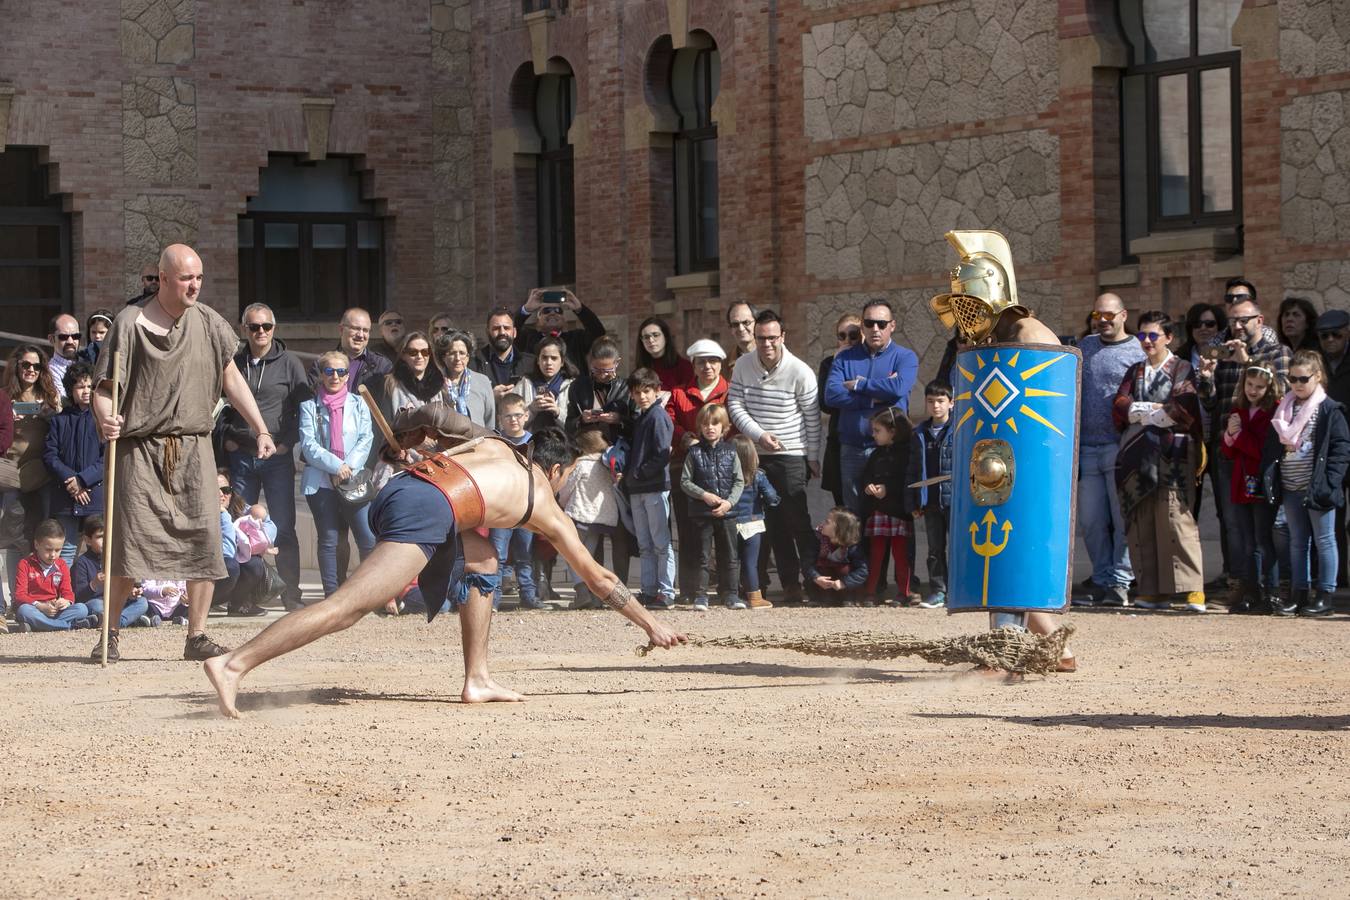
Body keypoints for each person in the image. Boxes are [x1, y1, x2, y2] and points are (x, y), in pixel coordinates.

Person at [203, 416, 686, 718]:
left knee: (484, 559)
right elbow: (598, 579)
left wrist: (409, 432)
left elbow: (431, 418)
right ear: (555, 470)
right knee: (345, 609)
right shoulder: (544, 499)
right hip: (426, 507)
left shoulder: (496, 445)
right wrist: (651, 623)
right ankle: (233, 664)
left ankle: (476, 678)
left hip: (403, 488)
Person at [91, 243, 276, 663]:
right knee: (128, 545)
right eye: (185, 278)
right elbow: (105, 391)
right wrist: (106, 419)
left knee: (203, 541)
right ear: (163, 279)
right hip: (139, 449)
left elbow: (232, 380)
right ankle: (110, 634)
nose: (194, 285)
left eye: (199, 278)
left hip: (193, 447)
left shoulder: (209, 322)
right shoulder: (129, 323)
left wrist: (261, 428)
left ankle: (196, 635)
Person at [1196, 294, 1292, 604]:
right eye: (1233, 320)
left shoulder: (1277, 352)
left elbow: (1284, 393)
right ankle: (1242, 585)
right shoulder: (1223, 351)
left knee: (1264, 527)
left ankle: (1271, 589)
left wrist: (1248, 362)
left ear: (1259, 321)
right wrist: (1207, 378)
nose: (1236, 326)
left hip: (1264, 455)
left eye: (1244, 320)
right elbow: (1212, 404)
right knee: (1234, 524)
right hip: (1229, 451)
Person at [1111, 311, 1205, 613]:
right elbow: (1119, 406)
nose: (1147, 341)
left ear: (1169, 337)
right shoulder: (1134, 371)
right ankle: (1151, 589)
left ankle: (1191, 589)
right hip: (1137, 456)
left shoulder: (1182, 368)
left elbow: (1183, 407)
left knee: (1176, 516)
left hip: (1173, 454)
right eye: (1142, 336)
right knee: (1142, 518)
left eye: (1153, 335)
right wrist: (1152, 410)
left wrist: (1142, 414)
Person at [726, 309, 820, 604]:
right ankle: (762, 585)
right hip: (756, 454)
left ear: (782, 337)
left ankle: (813, 580)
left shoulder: (800, 371)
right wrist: (758, 435)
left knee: (796, 520)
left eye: (771, 338)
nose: (766, 344)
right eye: (761, 338)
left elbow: (812, 417)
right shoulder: (742, 364)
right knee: (759, 523)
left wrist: (812, 457)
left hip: (791, 454)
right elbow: (735, 404)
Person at [219, 303, 309, 611]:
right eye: (254, 327)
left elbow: (304, 410)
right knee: (238, 527)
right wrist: (228, 437)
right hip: (242, 456)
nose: (261, 332)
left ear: (274, 328)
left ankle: (291, 595)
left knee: (282, 526)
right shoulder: (233, 362)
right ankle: (242, 598)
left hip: (276, 458)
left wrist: (286, 443)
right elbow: (219, 405)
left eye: (266, 327)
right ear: (243, 329)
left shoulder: (290, 364)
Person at [1261, 350, 1350, 618]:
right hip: (1290, 485)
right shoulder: (1284, 408)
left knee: (1325, 540)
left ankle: (1325, 595)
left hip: (1317, 487)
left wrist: (1330, 481)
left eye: (1303, 378)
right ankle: (1299, 594)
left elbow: (1341, 448)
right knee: (1298, 542)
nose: (1297, 384)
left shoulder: (1329, 409)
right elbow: (1272, 446)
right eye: (1292, 379)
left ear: (1318, 377)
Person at [1073, 292, 1145, 608]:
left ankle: (1121, 581)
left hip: (1121, 446)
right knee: (1091, 521)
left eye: (1109, 315)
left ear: (1123, 315)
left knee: (1123, 519)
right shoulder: (1084, 347)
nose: (1103, 321)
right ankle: (1101, 579)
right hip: (1087, 448)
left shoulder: (1138, 350)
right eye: (1097, 315)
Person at [825, 299, 919, 514]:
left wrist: (859, 384)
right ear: (863, 327)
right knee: (853, 519)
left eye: (881, 324)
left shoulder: (905, 357)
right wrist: (871, 398)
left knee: (892, 517)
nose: (875, 329)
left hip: (890, 451)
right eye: (869, 323)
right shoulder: (845, 358)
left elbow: (897, 389)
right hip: (852, 449)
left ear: (892, 326)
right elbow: (832, 395)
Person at [299, 351, 376, 598]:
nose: (335, 376)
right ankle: (332, 595)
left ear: (347, 375)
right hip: (321, 481)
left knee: (366, 537)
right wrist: (335, 467)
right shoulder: (309, 407)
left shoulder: (359, 403)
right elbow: (308, 445)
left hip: (353, 480)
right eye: (329, 371)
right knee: (330, 539)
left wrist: (347, 468)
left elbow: (367, 438)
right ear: (321, 375)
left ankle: (368, 593)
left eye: (341, 371)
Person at [668, 338, 730, 603]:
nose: (708, 367)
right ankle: (691, 591)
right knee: (689, 532)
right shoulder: (679, 393)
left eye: (713, 361)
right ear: (693, 365)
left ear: (720, 365)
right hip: (688, 471)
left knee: (726, 535)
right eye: (702, 362)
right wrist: (685, 438)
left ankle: (730, 590)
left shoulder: (731, 392)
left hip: (723, 472)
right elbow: (669, 421)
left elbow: (736, 422)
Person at [1219, 364, 1281, 613]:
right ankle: (1251, 591)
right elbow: (1228, 452)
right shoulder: (1239, 410)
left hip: (1263, 484)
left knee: (1264, 540)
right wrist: (1230, 435)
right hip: (1241, 483)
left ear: (1268, 387)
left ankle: (1272, 592)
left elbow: (1261, 450)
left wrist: (1240, 434)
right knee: (1247, 542)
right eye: (1250, 385)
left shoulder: (1274, 411)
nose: (1253, 390)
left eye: (1259, 386)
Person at [1177, 302, 1229, 572]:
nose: (1204, 329)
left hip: (1221, 441)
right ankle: (1187, 577)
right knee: (1187, 512)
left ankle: (1231, 574)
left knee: (1227, 512)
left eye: (1210, 324)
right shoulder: (1182, 359)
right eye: (1198, 324)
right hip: (1191, 441)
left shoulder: (1228, 356)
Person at [679, 403, 744, 611]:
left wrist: (729, 502)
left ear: (724, 426)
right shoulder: (694, 452)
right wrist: (704, 495)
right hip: (702, 513)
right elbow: (685, 481)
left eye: (715, 424)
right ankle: (701, 595)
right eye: (706, 424)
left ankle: (731, 594)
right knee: (702, 556)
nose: (710, 428)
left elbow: (739, 481)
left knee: (730, 556)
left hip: (727, 512)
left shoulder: (731, 452)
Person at [623, 367, 676, 609]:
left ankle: (666, 592)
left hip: (654, 486)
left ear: (657, 390)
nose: (642, 396)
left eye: (647, 391)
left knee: (661, 543)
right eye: (637, 392)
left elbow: (662, 454)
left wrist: (639, 473)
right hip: (638, 488)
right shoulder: (643, 417)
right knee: (645, 544)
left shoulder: (658, 417)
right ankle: (648, 589)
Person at [43, 362, 104, 564]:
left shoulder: (102, 419)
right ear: (71, 390)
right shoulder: (59, 421)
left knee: (100, 551)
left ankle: (95, 595)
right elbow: (50, 456)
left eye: (89, 386)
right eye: (80, 386)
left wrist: (83, 480)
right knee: (65, 554)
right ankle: (65, 596)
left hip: (94, 498)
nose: (86, 391)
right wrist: (72, 481)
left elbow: (108, 458)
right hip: (66, 498)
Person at [2, 344, 61, 547]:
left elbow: (61, 430)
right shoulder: (4, 396)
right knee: (12, 524)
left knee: (43, 524)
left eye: (37, 366)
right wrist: (6, 417)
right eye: (26, 364)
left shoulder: (50, 396)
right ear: (16, 366)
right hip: (10, 470)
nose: (31, 370)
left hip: (41, 471)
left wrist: (49, 414)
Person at [558, 426, 621, 610]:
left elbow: (567, 488)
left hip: (579, 515)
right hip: (600, 519)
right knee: (588, 556)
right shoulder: (606, 464)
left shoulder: (580, 464)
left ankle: (581, 591)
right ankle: (593, 596)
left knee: (571, 555)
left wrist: (561, 503)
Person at [489, 394, 538, 610]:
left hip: (526, 507)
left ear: (526, 415)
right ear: (500, 419)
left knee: (524, 555)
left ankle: (529, 596)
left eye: (518, 415)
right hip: (501, 508)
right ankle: (493, 599)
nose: (513, 420)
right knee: (497, 555)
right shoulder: (495, 443)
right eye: (508, 416)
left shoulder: (534, 442)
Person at [860, 406, 913, 606]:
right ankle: (871, 592)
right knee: (876, 555)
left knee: (900, 555)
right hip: (879, 511)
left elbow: (906, 479)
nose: (873, 435)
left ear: (892, 431)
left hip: (898, 512)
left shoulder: (906, 454)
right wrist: (868, 487)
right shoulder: (876, 454)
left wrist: (887, 488)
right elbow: (866, 475)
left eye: (877, 431)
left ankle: (903, 592)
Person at [908, 381, 953, 609]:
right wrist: (914, 500)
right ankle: (938, 590)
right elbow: (913, 469)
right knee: (935, 549)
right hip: (930, 500)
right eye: (931, 401)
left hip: (954, 501)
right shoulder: (920, 433)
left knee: (957, 547)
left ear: (951, 403)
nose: (936, 406)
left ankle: (957, 590)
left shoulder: (960, 430)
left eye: (941, 401)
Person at [73, 514, 153, 628]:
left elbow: (127, 585)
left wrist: (132, 592)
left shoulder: (119, 559)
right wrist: (93, 584)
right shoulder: (82, 562)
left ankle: (114, 622)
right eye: (100, 537)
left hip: (118, 602)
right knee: (96, 605)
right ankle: (128, 621)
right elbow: (79, 597)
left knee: (142, 603)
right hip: (98, 602)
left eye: (109, 536)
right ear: (88, 540)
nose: (106, 541)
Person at [13, 518, 92, 632]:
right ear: (36, 544)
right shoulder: (25, 564)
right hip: (35, 609)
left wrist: (65, 601)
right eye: (48, 550)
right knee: (24, 610)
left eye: (58, 550)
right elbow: (20, 595)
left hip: (55, 611)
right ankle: (68, 626)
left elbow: (68, 592)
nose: (53, 555)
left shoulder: (62, 564)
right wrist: (40, 606)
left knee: (82, 608)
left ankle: (42, 625)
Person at [730, 434, 778, 609]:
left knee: (732, 561)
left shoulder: (727, 475)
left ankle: (731, 595)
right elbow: (771, 496)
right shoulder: (758, 475)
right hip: (753, 522)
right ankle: (755, 597)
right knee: (751, 562)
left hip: (731, 521)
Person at [818, 314, 862, 506]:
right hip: (838, 442)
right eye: (842, 336)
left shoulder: (869, 361)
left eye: (853, 335)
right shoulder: (829, 363)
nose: (847, 341)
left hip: (864, 442)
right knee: (843, 511)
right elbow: (826, 403)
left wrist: (842, 395)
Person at [513, 287, 605, 372]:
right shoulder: (528, 338)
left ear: (564, 318)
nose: (552, 313)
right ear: (538, 318)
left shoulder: (576, 338)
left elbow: (598, 332)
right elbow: (510, 330)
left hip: (573, 388)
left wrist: (580, 309)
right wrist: (526, 309)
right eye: (547, 310)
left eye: (558, 310)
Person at [215, 471, 268, 618]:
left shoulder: (239, 506)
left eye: (226, 490)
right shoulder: (200, 511)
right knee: (231, 565)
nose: (221, 495)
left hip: (232, 564)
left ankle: (237, 604)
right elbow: (227, 552)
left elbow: (268, 523)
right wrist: (223, 515)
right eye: (215, 490)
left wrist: (260, 543)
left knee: (254, 564)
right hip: (211, 569)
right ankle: (207, 603)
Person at [566, 336, 631, 445]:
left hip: (619, 450)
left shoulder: (627, 388)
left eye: (607, 370)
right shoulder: (577, 387)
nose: (602, 375)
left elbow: (638, 424)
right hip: (587, 448)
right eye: (596, 370)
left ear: (617, 363)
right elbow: (568, 426)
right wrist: (582, 419)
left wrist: (619, 420)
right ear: (590, 362)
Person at [309, 307, 393, 390]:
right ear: (341, 330)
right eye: (355, 328)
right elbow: (313, 397)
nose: (360, 335)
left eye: (365, 330)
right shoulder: (322, 363)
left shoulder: (382, 366)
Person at [802, 507, 868, 605]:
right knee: (821, 567)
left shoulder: (851, 545)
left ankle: (847, 598)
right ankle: (822, 598)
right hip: (823, 582)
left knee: (845, 568)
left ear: (839, 529)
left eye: (827, 522)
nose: (822, 524)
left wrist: (844, 583)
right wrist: (816, 577)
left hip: (843, 584)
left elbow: (862, 571)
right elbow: (807, 563)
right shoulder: (817, 538)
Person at [470, 307, 536, 400]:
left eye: (507, 328)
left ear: (514, 332)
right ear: (487, 332)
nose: (502, 332)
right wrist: (490, 398)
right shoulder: (473, 364)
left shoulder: (530, 364)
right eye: (496, 328)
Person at [436, 330, 496, 429]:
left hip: (479, 441)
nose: (457, 358)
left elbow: (490, 422)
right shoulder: (435, 383)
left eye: (462, 353)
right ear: (443, 357)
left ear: (468, 356)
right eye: (452, 353)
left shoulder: (482, 381)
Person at [516, 336, 576, 432]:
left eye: (554, 358)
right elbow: (510, 424)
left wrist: (557, 412)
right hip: (531, 443)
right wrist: (531, 410)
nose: (548, 363)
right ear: (538, 360)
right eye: (544, 357)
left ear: (562, 362)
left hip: (563, 443)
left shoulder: (572, 385)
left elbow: (577, 426)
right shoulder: (525, 383)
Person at [633, 317, 694, 393]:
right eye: (646, 337)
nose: (651, 340)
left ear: (666, 337)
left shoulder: (684, 367)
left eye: (655, 335)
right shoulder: (640, 370)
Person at [47, 313, 82, 399]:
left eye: (75, 336)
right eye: (63, 337)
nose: (70, 341)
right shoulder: (49, 371)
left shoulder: (88, 361)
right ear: (51, 339)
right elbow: (64, 402)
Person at [725, 301, 757, 368]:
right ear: (730, 329)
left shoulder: (773, 357)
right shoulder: (724, 366)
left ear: (757, 324)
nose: (741, 329)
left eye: (746, 322)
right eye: (735, 324)